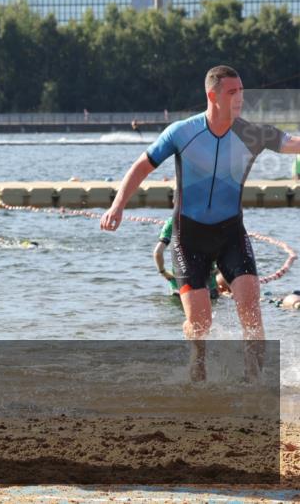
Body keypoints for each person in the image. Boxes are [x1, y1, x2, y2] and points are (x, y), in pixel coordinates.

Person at [101, 65, 300, 380]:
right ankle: (197, 370)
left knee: (251, 310)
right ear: (213, 95)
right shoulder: (182, 132)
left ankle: (254, 381)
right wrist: (117, 206)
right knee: (200, 325)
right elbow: (142, 166)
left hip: (231, 234)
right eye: (232, 92)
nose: (240, 99)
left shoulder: (252, 133)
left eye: (242, 92)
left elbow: (293, 144)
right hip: (189, 238)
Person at [154, 217, 226, 300]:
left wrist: (163, 272)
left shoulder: (172, 221)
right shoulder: (211, 219)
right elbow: (227, 248)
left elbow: (158, 252)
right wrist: (219, 268)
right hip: (208, 284)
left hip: (179, 285)